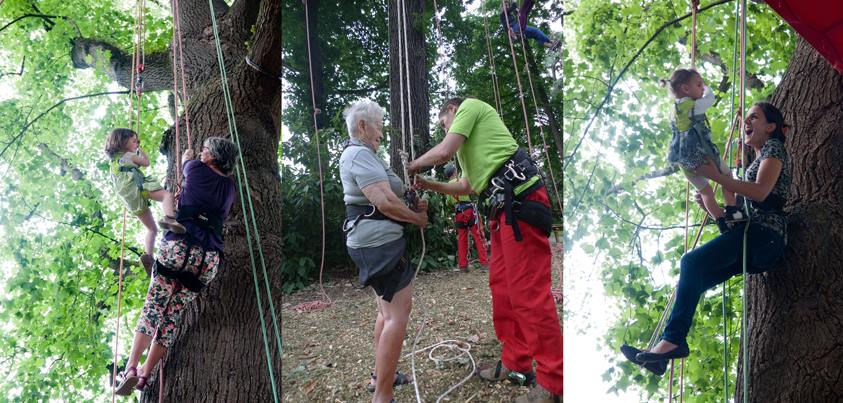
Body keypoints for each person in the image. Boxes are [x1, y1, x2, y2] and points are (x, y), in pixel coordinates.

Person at [408, 97, 562, 403]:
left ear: (453, 110)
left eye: (444, 123)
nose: (445, 129)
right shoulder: (469, 149)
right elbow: (468, 186)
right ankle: (516, 362)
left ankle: (555, 383)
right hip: (503, 206)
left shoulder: (470, 107)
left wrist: (412, 165)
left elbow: (443, 151)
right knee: (503, 289)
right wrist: (428, 184)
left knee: (527, 293)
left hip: (520, 199)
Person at [621, 102, 791, 374]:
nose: (747, 123)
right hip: (758, 242)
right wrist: (713, 205)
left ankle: (673, 342)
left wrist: (716, 176)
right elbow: (736, 219)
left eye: (755, 118)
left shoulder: (774, 149)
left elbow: (759, 193)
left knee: (691, 263)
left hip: (765, 235)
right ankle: (662, 354)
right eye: (746, 119)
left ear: (771, 126)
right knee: (696, 278)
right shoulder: (756, 160)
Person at [113, 137, 240, 395]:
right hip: (206, 262)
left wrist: (186, 157)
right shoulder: (230, 188)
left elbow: (185, 164)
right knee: (170, 319)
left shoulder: (194, 167)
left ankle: (130, 369)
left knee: (153, 308)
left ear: (212, 157)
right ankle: (145, 376)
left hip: (179, 249)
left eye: (205, 150)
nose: (201, 153)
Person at [339, 99, 429, 403]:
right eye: (378, 124)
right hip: (377, 243)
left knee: (386, 311)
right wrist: (416, 218)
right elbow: (384, 202)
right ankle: (383, 395)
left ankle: (381, 378)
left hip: (374, 241)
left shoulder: (369, 156)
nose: (382, 131)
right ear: (362, 126)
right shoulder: (358, 155)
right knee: (396, 315)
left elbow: (393, 196)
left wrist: (413, 204)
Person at [662, 68, 743, 231]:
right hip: (701, 154)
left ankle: (720, 221)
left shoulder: (673, 110)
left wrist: (700, 85)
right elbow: (710, 99)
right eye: (698, 84)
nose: (701, 87)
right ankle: (732, 211)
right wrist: (707, 88)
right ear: (685, 89)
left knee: (705, 191)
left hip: (684, 161)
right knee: (727, 175)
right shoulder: (692, 106)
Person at [105, 128, 185, 274]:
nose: (136, 144)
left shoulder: (113, 162)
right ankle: (170, 219)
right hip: (137, 187)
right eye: (134, 141)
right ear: (123, 141)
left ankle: (148, 257)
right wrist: (141, 150)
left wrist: (136, 146)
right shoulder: (129, 155)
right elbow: (146, 163)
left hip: (130, 199)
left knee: (152, 229)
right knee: (166, 195)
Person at [443, 163, 488, 271]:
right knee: (478, 235)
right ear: (454, 172)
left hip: (458, 212)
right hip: (469, 210)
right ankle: (484, 263)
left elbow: (448, 202)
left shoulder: (447, 186)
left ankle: (463, 265)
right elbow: (472, 191)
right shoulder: (461, 181)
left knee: (462, 238)